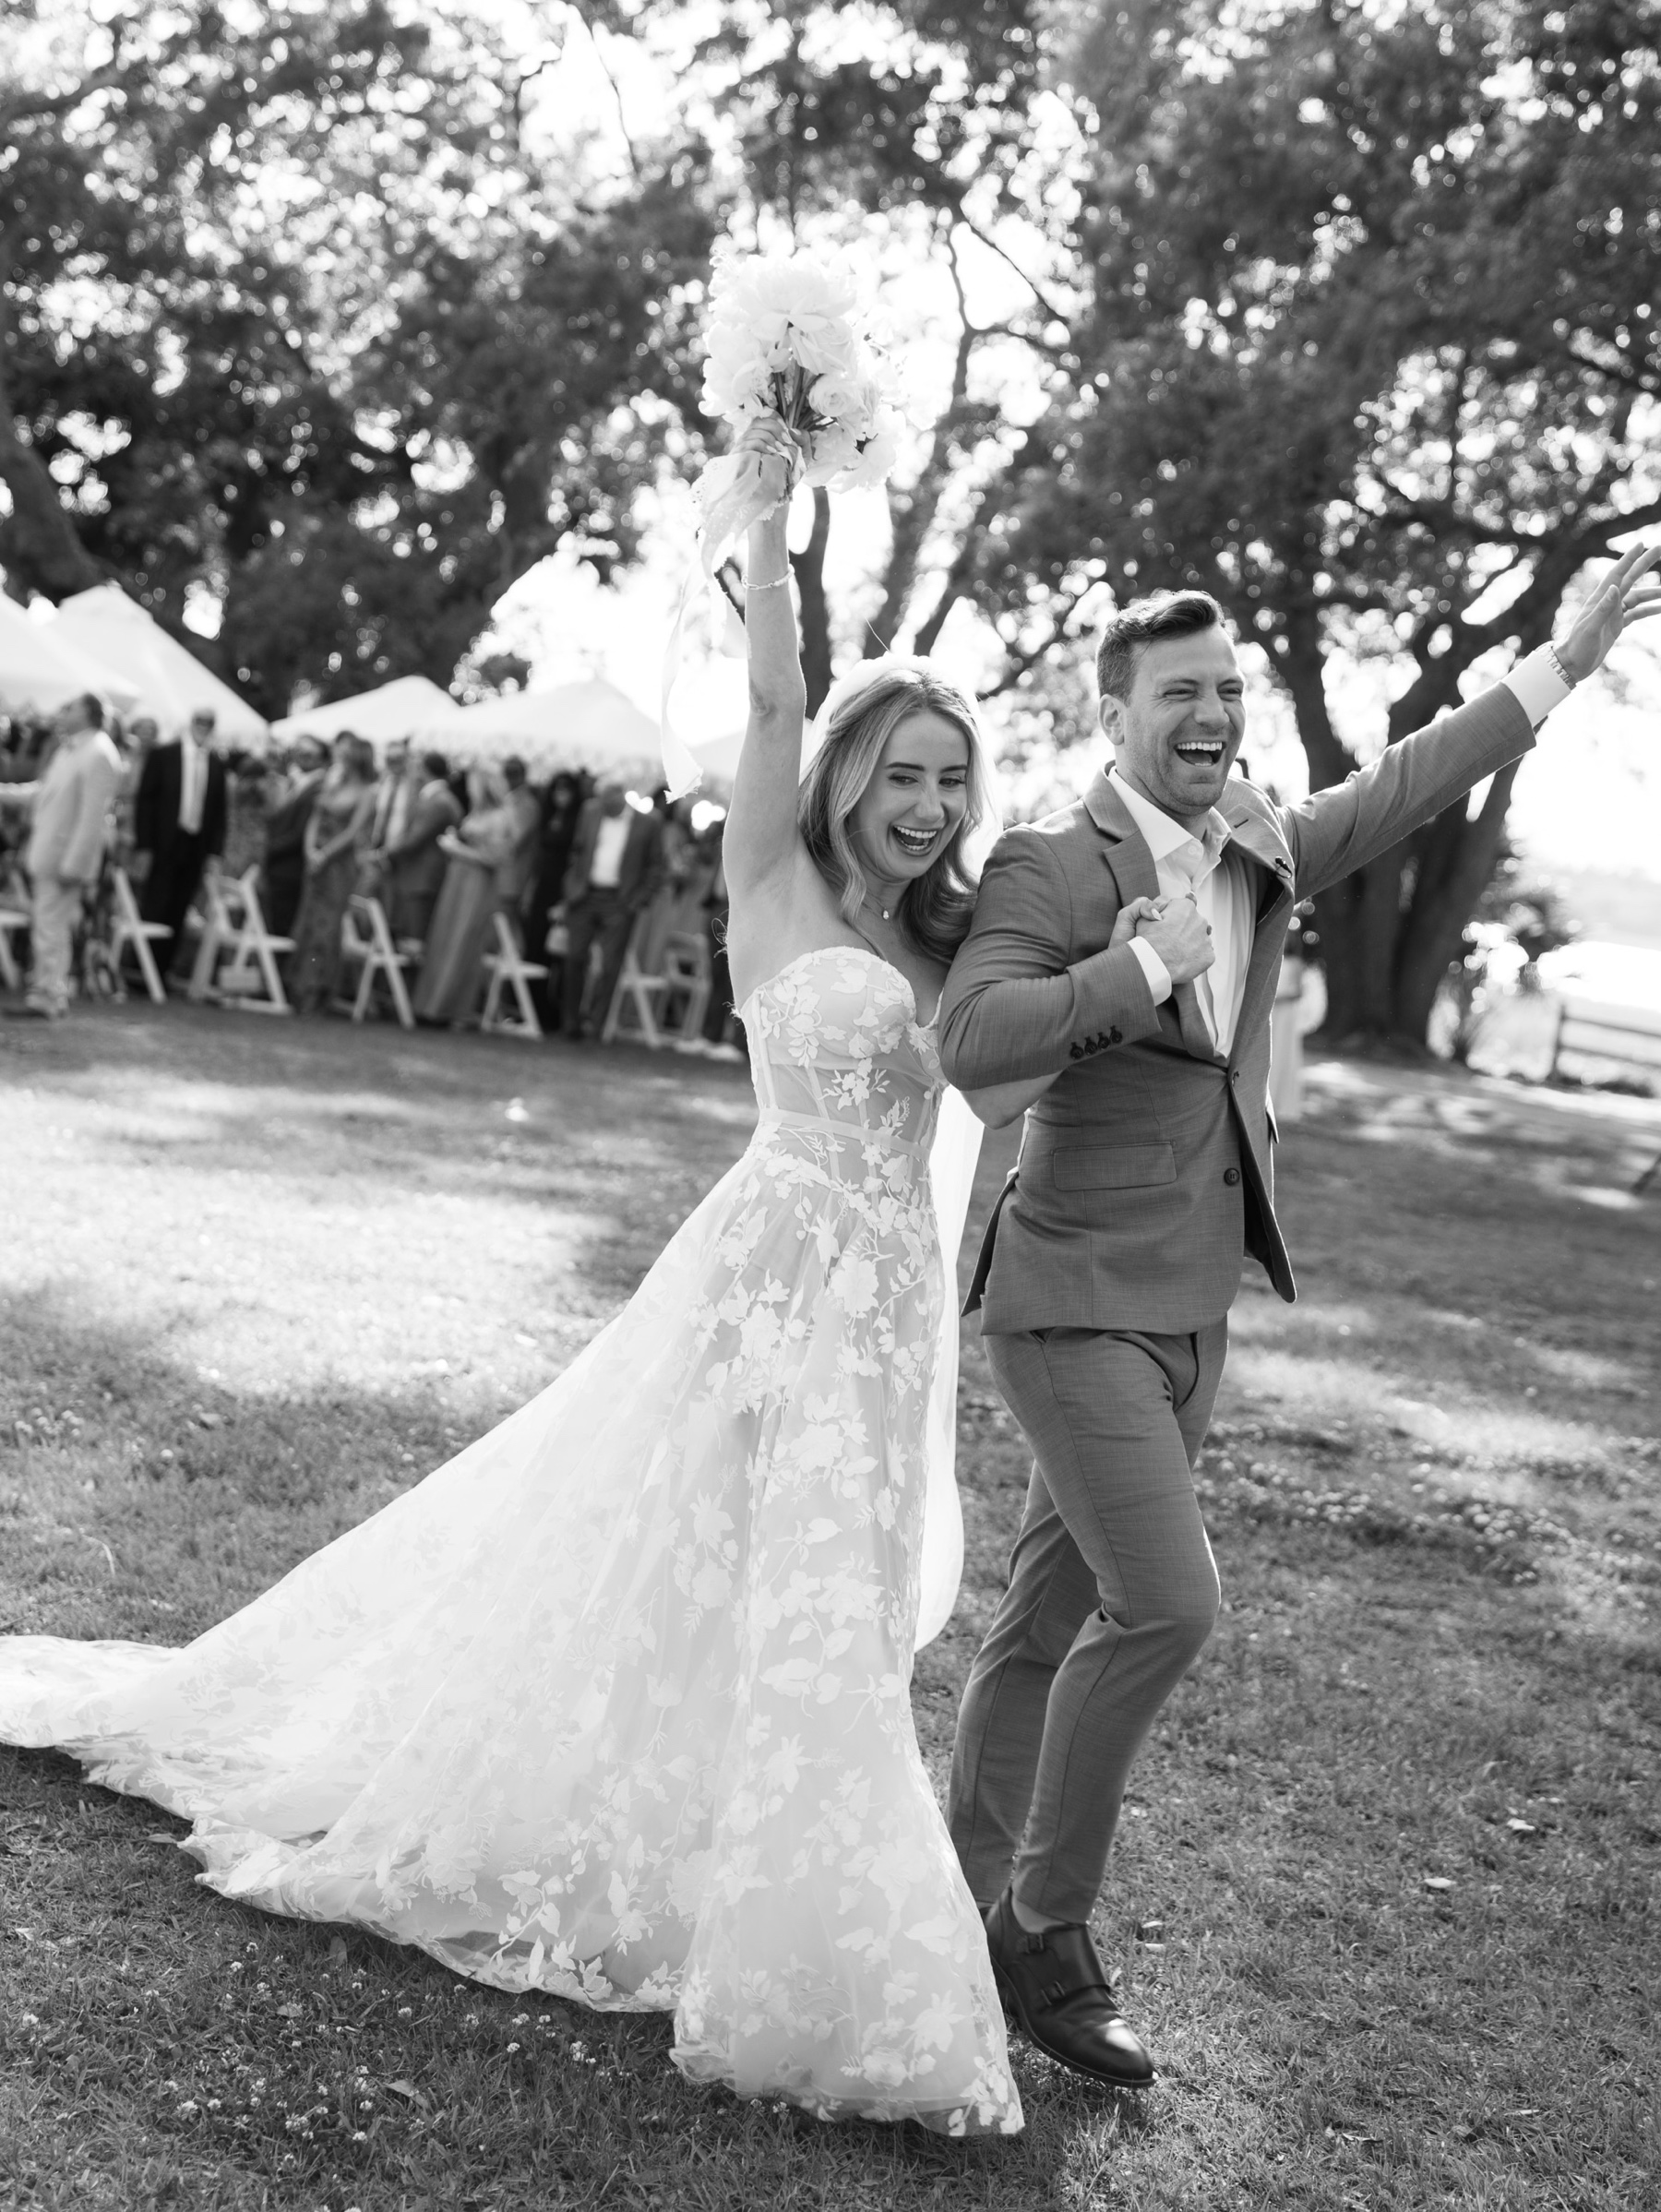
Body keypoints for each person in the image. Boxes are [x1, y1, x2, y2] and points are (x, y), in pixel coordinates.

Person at [0, 417, 1027, 2134]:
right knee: (672, 1559)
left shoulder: (963, 934)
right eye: (904, 774)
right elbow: (772, 705)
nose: (929, 809)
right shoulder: (771, 874)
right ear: (850, 774)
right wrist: (774, 530)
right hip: (761, 1274)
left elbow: (1013, 1073)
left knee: (827, 1608)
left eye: (953, 781)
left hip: (890, 1305)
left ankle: (772, 1870)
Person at [937, 543, 1661, 2090]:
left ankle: (947, 1894)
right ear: (1113, 705)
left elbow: (1406, 781)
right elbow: (975, 1035)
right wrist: (1133, 964)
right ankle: (1039, 1931)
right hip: (1068, 1301)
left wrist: (1561, 665)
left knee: (1044, 1618)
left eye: (1232, 690)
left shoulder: (1256, 836)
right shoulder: (1047, 865)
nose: (1213, 714)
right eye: (1182, 691)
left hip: (1192, 1305)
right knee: (1171, 1605)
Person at [0, 692, 123, 1021]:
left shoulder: (98, 752)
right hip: (52, 854)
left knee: (50, 928)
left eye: (70, 707)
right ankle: (50, 992)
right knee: (52, 927)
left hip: (64, 858)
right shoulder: (72, 749)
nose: (63, 711)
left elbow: (93, 817)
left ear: (88, 713)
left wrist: (76, 863)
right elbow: (43, 792)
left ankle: (46, 995)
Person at [410, 765, 521, 1024]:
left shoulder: (500, 817)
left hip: (477, 885)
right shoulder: (476, 812)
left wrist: (456, 849)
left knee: (462, 942)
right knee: (443, 938)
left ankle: (447, 1009)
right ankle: (428, 1004)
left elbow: (495, 858)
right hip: (457, 881)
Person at [558, 779, 665, 1039]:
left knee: (610, 965)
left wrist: (636, 901)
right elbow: (578, 850)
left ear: (621, 798)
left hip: (619, 901)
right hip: (585, 896)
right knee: (574, 958)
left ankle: (595, 1024)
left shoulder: (648, 823)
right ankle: (570, 1023)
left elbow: (656, 866)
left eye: (608, 803)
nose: (603, 807)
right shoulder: (590, 812)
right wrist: (571, 887)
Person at [133, 707, 228, 978]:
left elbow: (219, 814)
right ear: (191, 722)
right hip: (164, 842)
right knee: (155, 902)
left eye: (209, 723)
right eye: (200, 721)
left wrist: (214, 852)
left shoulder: (216, 763)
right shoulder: (165, 755)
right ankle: (141, 969)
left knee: (179, 906)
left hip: (194, 844)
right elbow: (146, 802)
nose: (203, 726)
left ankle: (162, 970)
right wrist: (144, 845)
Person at [287, 733, 377, 1014]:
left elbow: (353, 833)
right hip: (315, 861)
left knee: (326, 929)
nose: (340, 760)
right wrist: (310, 850)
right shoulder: (333, 784)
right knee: (307, 921)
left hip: (338, 866)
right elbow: (315, 817)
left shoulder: (368, 792)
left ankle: (315, 988)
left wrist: (324, 855)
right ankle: (295, 983)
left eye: (345, 756)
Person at [521, 770, 586, 1025]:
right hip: (542, 889)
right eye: (557, 790)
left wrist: (566, 899)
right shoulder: (548, 817)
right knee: (535, 946)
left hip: (561, 891)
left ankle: (550, 1013)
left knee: (556, 953)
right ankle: (529, 1006)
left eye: (566, 790)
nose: (561, 796)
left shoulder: (578, 821)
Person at [378, 750, 463, 944]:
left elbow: (414, 838)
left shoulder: (440, 801)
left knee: (413, 937)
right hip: (415, 875)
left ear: (424, 770)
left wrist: (383, 853)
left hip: (422, 878)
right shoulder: (433, 797)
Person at [257, 738, 329, 941]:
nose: (302, 758)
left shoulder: (318, 788)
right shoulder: (295, 782)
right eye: (299, 753)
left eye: (309, 755)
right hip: (278, 863)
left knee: (280, 927)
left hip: (290, 866)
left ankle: (273, 971)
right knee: (268, 922)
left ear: (322, 759)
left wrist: (270, 849)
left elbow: (299, 833)